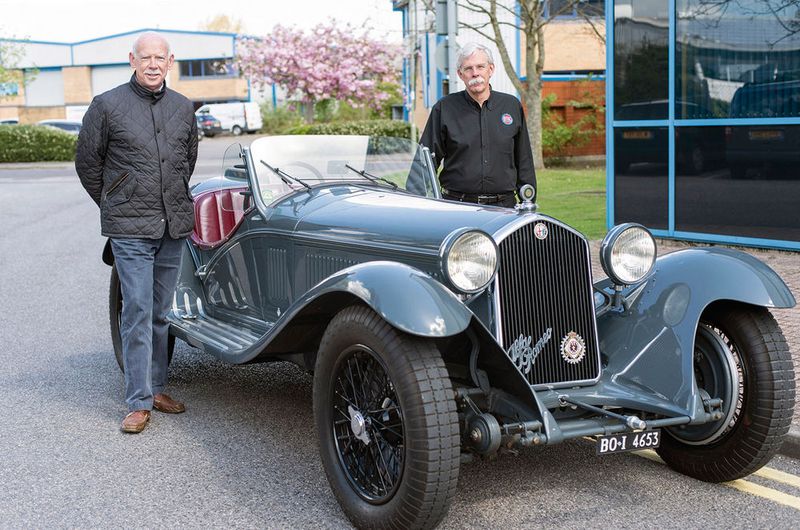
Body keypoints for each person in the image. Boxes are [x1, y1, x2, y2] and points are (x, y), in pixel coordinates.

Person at [76, 32, 198, 433]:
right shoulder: (107, 105)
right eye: (144, 57)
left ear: (170, 61)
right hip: (129, 228)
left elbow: (186, 161)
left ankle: (157, 387)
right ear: (132, 60)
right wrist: (114, 201)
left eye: (159, 58)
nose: (152, 64)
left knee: (162, 312)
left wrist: (171, 198)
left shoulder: (183, 108)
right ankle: (137, 400)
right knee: (138, 310)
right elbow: (87, 163)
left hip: (172, 225)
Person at [419, 42, 536, 207]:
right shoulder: (444, 108)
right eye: (468, 69)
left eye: (480, 66)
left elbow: (523, 159)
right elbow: (424, 161)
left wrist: (528, 201)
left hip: (504, 208)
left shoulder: (511, 105)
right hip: (457, 206)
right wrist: (415, 201)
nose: (475, 73)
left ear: (491, 69)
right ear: (460, 74)